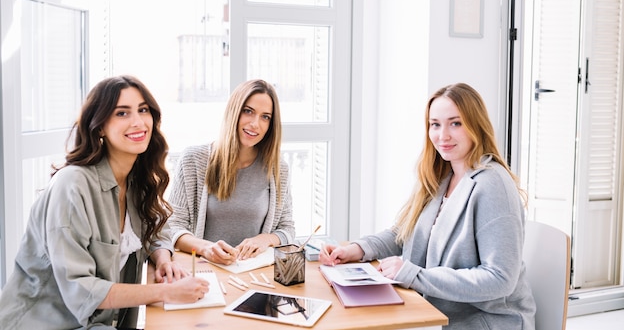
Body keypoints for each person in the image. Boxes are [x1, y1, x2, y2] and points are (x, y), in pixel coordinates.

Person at [320, 83, 536, 330]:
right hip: (436, 313)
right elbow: (404, 233)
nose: (442, 135)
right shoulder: (442, 175)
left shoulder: (492, 185)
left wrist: (414, 274)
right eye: (435, 124)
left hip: (485, 322)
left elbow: (500, 279)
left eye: (455, 123)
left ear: (476, 126)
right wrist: (358, 249)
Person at [0, 75, 209, 330]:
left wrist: (163, 260)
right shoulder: (72, 185)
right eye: (122, 113)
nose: (138, 122)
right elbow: (81, 290)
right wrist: (166, 292)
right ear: (99, 126)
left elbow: (157, 231)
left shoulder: (136, 182)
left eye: (143, 110)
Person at [167, 79, 295, 265]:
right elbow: (172, 226)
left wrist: (265, 239)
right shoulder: (193, 160)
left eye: (265, 117)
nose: (255, 124)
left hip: (255, 275)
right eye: (248, 111)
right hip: (207, 272)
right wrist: (205, 248)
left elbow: (287, 229)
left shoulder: (278, 169)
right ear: (234, 111)